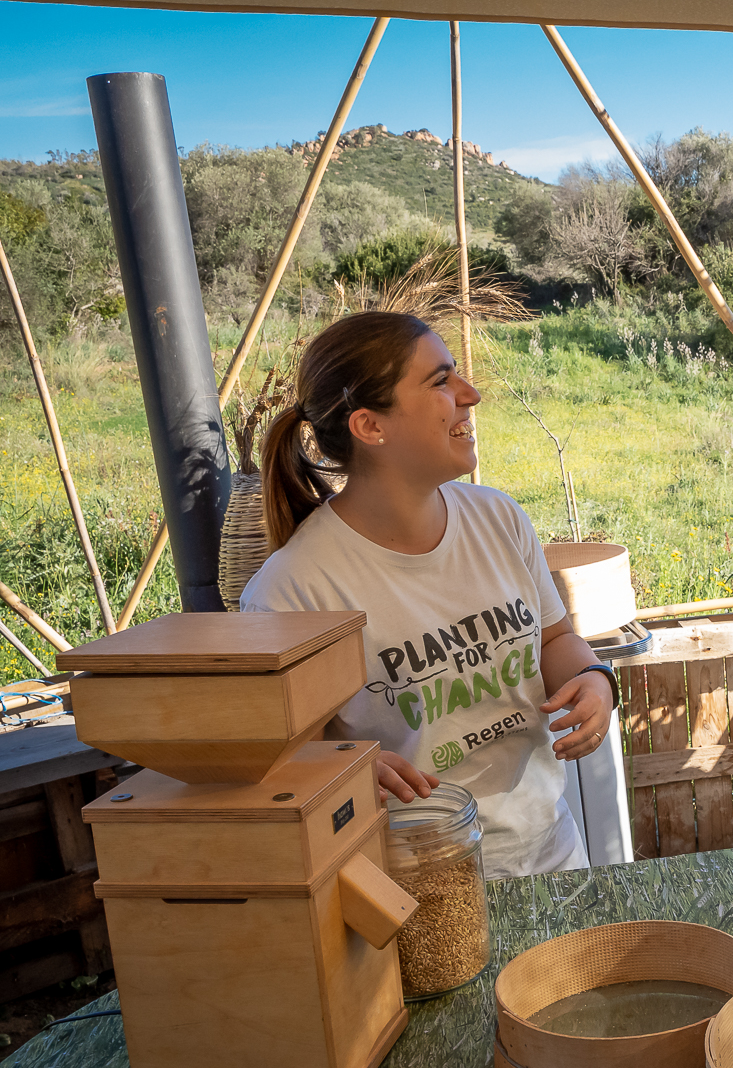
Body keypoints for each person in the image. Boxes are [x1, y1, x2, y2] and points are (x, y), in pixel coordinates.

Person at [241, 311, 617, 879]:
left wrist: (593, 680)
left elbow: (555, 638)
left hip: (552, 848)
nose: (471, 394)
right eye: (441, 381)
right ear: (370, 426)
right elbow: (290, 759)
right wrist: (344, 771)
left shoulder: (498, 518)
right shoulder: (292, 590)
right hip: (420, 876)